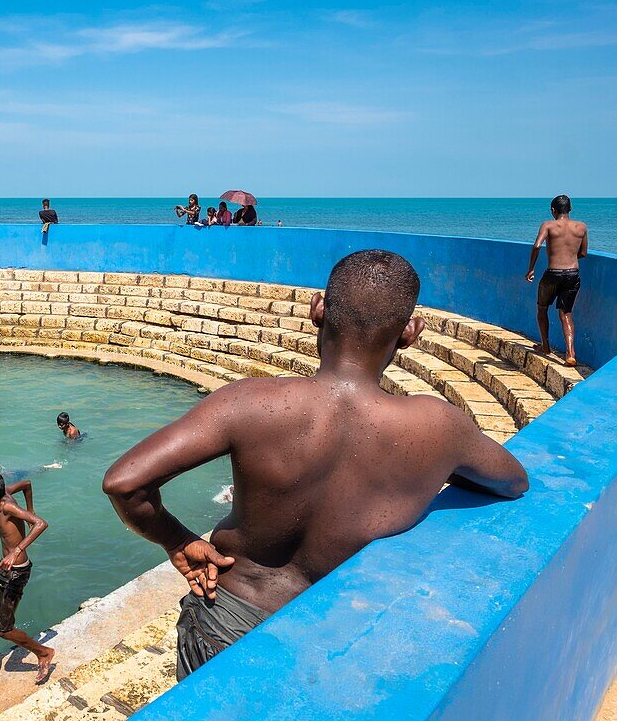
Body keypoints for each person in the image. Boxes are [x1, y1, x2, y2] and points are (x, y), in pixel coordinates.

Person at [102, 249, 528, 681]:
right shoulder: (440, 428)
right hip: (334, 638)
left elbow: (124, 483)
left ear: (318, 310)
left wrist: (177, 540)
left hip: (225, 620)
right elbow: (513, 482)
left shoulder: (249, 402)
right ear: (411, 333)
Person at [0, 470, 54, 699]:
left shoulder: (7, 506)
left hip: (17, 573)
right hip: (4, 570)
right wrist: (31, 507)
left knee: (4, 629)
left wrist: (17, 550)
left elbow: (40, 524)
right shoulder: (5, 493)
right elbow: (27, 483)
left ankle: (43, 653)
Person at [526, 195, 588, 367]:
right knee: (566, 314)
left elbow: (537, 245)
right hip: (573, 274)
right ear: (570, 209)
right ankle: (570, 354)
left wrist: (531, 269)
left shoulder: (548, 225)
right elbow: (583, 253)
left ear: (553, 210)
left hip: (552, 274)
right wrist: (568, 257)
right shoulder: (581, 227)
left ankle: (545, 346)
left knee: (542, 308)